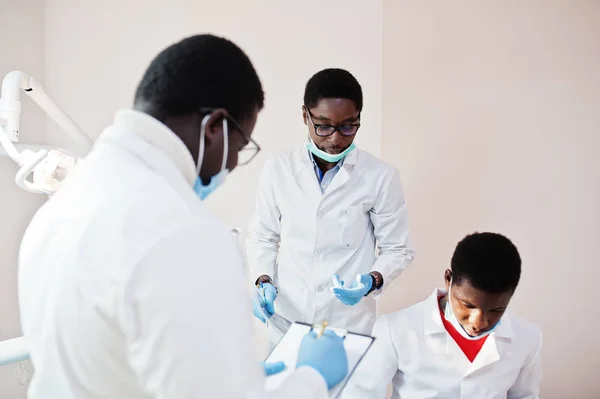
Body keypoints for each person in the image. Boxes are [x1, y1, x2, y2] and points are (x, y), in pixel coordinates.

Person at [18, 34, 348, 399]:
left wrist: (223, 371)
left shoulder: (60, 203)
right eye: (240, 146)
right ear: (213, 128)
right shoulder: (183, 231)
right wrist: (311, 378)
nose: (234, 162)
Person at [247, 68, 415, 339]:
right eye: (323, 126)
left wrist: (371, 280)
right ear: (305, 115)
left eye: (348, 126)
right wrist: (262, 280)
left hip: (348, 324)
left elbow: (398, 249)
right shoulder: (278, 169)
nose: (335, 139)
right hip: (286, 320)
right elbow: (263, 236)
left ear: (360, 118)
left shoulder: (381, 177)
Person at [342, 232, 543, 399]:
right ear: (448, 279)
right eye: (467, 305)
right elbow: (361, 394)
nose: (478, 322)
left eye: (495, 310)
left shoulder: (527, 338)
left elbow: (524, 396)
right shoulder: (395, 330)